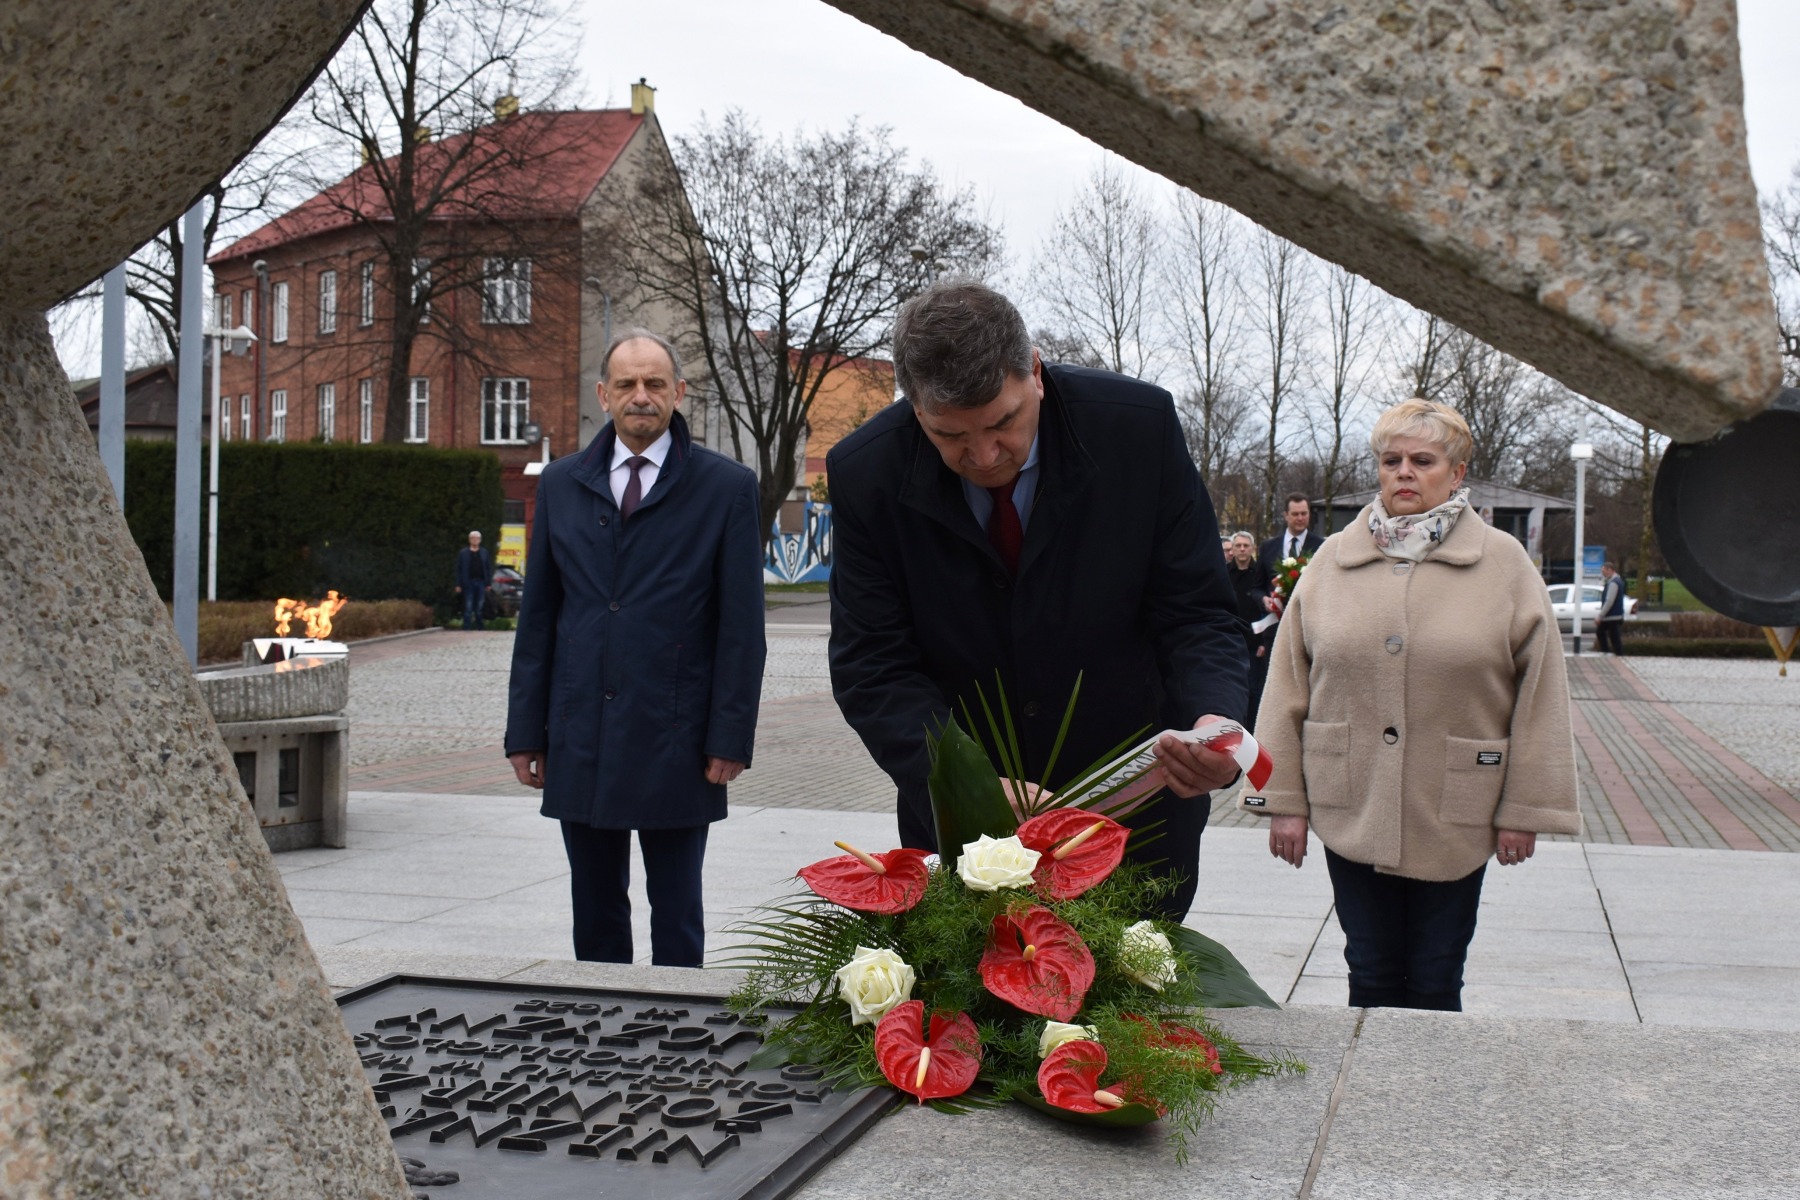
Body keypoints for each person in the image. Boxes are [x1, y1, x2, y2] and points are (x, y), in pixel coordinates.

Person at [827, 280, 1248, 922]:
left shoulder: (1138, 430)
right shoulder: (866, 473)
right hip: (965, 828)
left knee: (1136, 1020)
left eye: (1003, 423)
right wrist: (966, 786)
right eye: (950, 437)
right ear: (914, 409)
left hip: (1134, 816)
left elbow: (1195, 611)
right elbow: (872, 663)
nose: (985, 455)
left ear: (1036, 373)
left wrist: (1214, 724)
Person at [1245, 398, 1580, 1011]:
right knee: (1368, 971)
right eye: (1391, 459)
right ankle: (1366, 1102)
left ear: (1456, 474)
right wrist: (1282, 801)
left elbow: (1541, 695)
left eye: (1422, 460)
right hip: (1352, 799)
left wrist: (1525, 807)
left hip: (1457, 809)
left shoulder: (1503, 565)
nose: (1404, 471)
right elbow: (1287, 685)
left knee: (1434, 978)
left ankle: (1431, 1103)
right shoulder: (1331, 562)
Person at [504, 329, 766, 967]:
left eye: (654, 384)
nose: (640, 396)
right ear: (602, 395)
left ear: (679, 393)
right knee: (594, 915)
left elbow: (741, 629)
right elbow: (539, 616)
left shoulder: (725, 487)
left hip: (677, 737)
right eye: (626, 384)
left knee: (677, 917)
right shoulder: (564, 483)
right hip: (582, 733)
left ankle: (680, 1045)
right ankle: (602, 1045)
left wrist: (729, 738)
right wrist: (524, 732)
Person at [1225, 532, 1272, 731]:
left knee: (1254, 692)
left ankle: (1253, 733)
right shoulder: (1224, 573)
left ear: (1252, 548)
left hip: (1255, 646)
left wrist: (1264, 641)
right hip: (1229, 644)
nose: (1242, 549)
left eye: (1246, 545)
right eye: (1238, 546)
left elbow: (1269, 609)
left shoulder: (1259, 576)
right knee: (1229, 691)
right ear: (1232, 549)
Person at [1258, 492, 1323, 578]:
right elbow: (1257, 587)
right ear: (1286, 515)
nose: (1300, 518)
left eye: (1304, 514)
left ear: (1309, 514)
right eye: (1295, 514)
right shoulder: (1267, 547)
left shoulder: (1321, 546)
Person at [454, 530, 491, 631]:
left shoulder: (484, 553)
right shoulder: (463, 553)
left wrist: (488, 583)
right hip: (468, 582)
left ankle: (480, 627)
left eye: (477, 538)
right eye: (473, 538)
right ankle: (467, 627)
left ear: (480, 540)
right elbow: (459, 569)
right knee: (468, 606)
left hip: (481, 582)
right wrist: (458, 584)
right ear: (469, 540)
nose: (475, 540)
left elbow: (488, 568)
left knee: (479, 606)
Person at [1597, 561, 1627, 655]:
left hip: (1612, 616)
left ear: (1609, 570)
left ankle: (1611, 653)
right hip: (1615, 615)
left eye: (1604, 571)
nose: (1603, 573)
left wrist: (1600, 616)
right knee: (1612, 636)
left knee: (1605, 633)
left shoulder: (1613, 583)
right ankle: (1615, 653)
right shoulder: (1617, 581)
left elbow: (1609, 601)